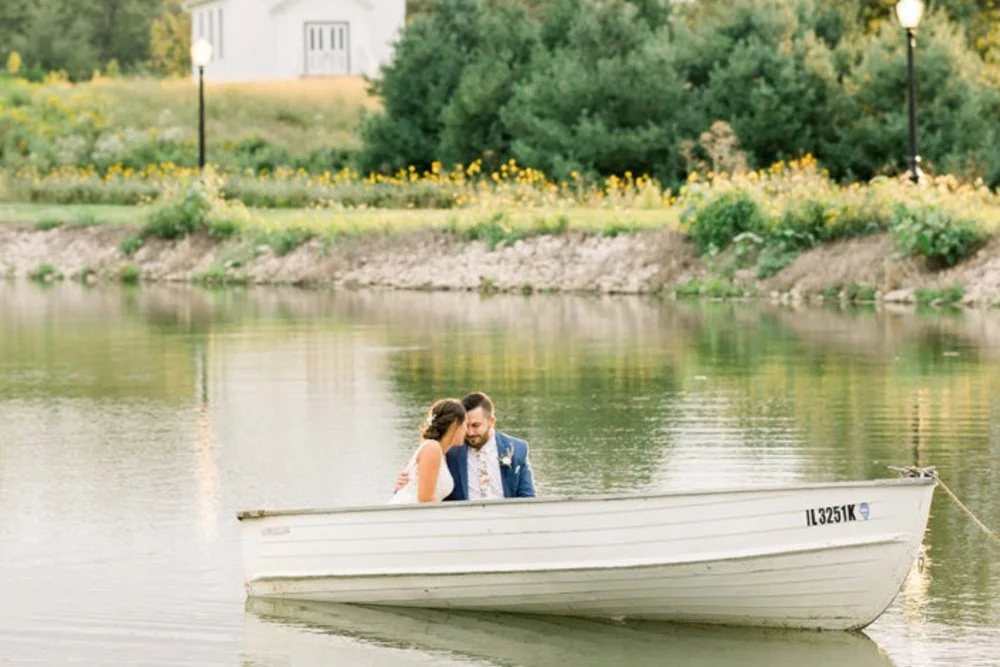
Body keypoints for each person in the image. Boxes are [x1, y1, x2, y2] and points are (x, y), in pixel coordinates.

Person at [395, 391, 536, 501]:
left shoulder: (517, 449)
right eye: (465, 426)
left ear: (491, 421)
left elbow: (528, 498)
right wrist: (402, 486)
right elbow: (424, 486)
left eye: (476, 425)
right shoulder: (449, 450)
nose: (469, 432)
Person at [388, 398, 467, 504]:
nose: (467, 430)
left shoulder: (439, 452)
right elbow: (425, 499)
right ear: (455, 425)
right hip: (408, 514)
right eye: (465, 424)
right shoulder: (432, 448)